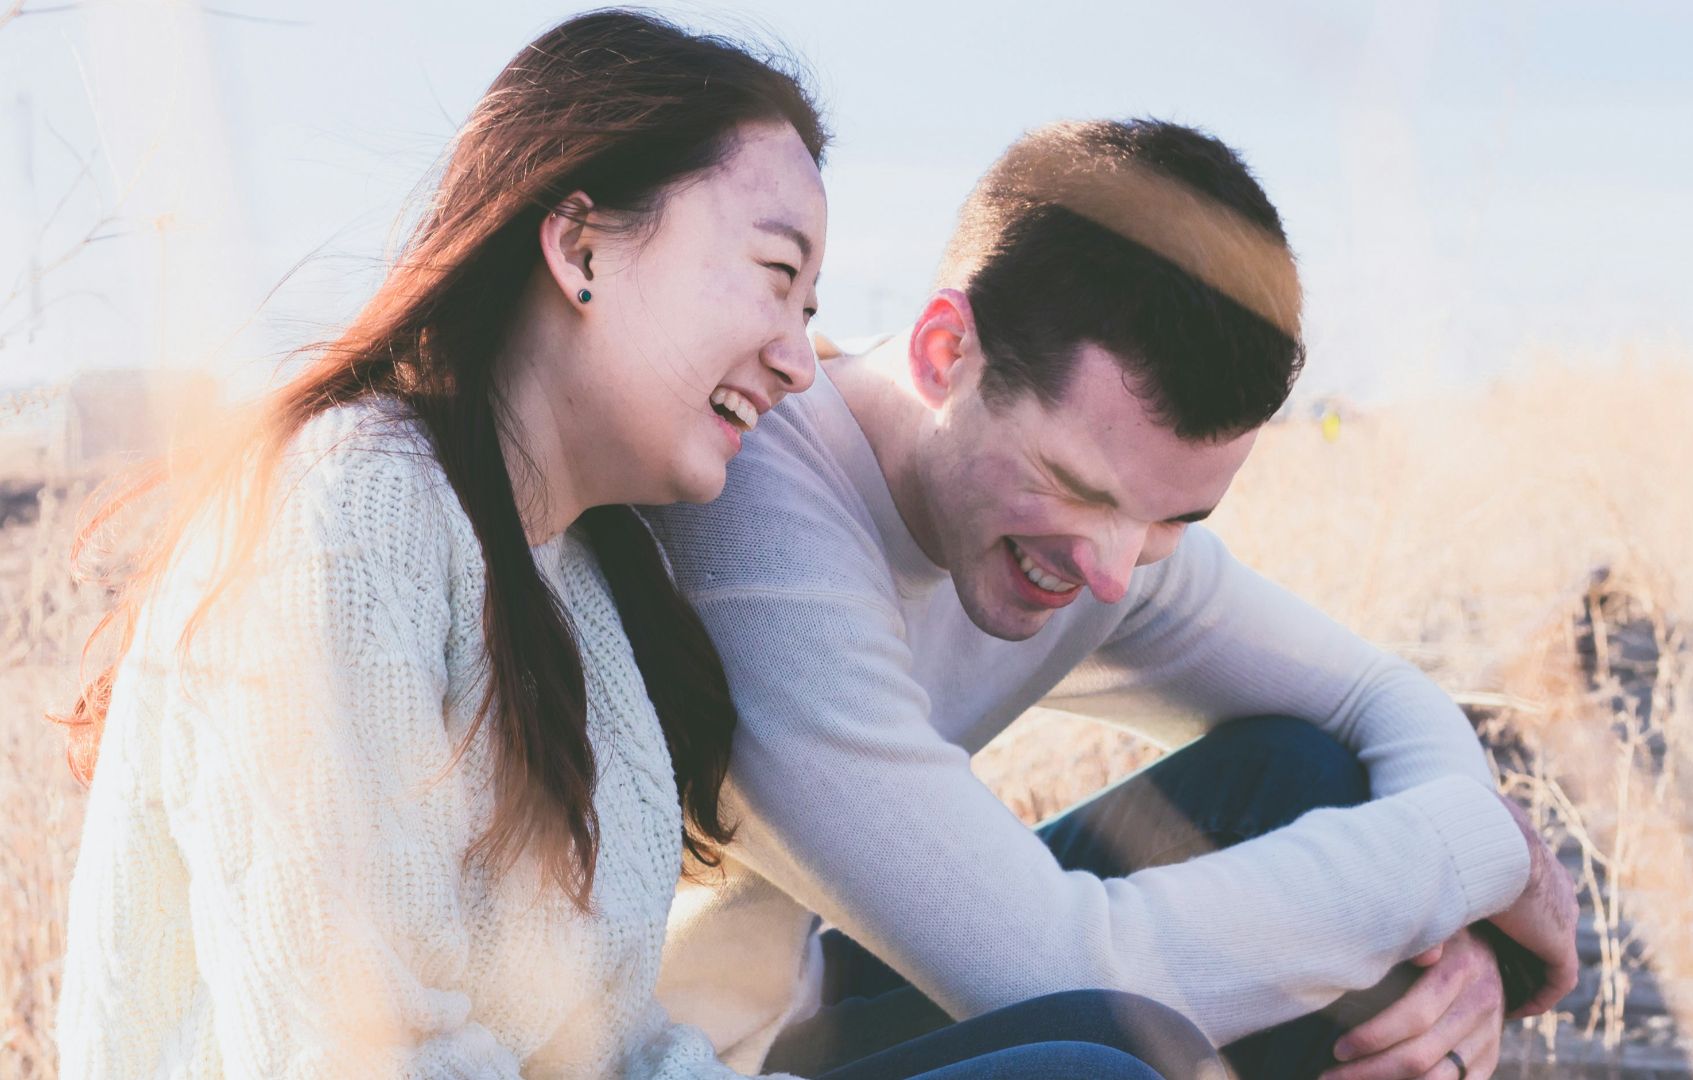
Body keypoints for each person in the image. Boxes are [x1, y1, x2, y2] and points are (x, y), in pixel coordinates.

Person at [53, 13, 1222, 1079]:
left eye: (813, 310)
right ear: (581, 248)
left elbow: (608, 1046)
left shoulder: (577, 579)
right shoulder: (350, 512)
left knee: (1131, 1039)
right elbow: (347, 1053)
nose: (798, 359)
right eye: (775, 278)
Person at [642, 118, 1580, 1080]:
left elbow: (1374, 697)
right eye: (1078, 487)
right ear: (942, 352)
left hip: (803, 1003)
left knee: (1305, 771)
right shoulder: (754, 513)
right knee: (1115, 1064)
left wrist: (1446, 925)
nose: (1113, 570)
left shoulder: (1106, 537)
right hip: (678, 1057)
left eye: (1176, 518)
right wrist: (1472, 854)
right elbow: (1057, 973)